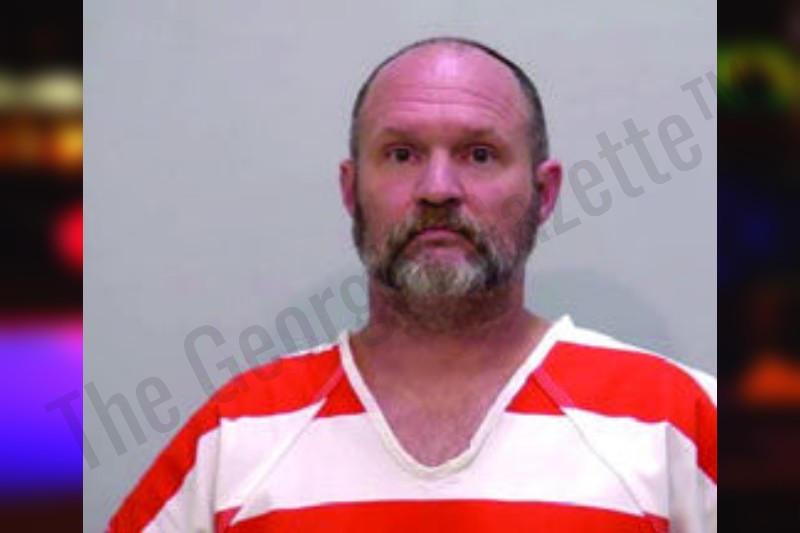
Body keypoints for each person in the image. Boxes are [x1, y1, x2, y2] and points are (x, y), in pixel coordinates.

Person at [108, 37, 717, 532]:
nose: (438, 189)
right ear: (351, 190)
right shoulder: (238, 433)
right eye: (402, 154)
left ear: (544, 192)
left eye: (479, 154)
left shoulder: (679, 422)